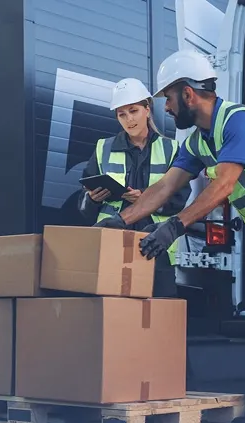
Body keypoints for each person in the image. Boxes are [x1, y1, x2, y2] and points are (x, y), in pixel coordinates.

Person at [97, 50, 245, 423]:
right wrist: (119, 223)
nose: (166, 108)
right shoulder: (198, 141)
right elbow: (166, 186)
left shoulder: (240, 122)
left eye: (168, 98)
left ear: (188, 94)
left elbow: (224, 185)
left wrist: (174, 226)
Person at [83, 78, 191, 298]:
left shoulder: (171, 148)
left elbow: (180, 198)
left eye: (133, 111)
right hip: (114, 246)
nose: (129, 119)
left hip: (155, 246)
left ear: (147, 109)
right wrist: (93, 199)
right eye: (122, 114)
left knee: (159, 313)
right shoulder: (103, 148)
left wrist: (146, 200)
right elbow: (84, 206)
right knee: (116, 314)